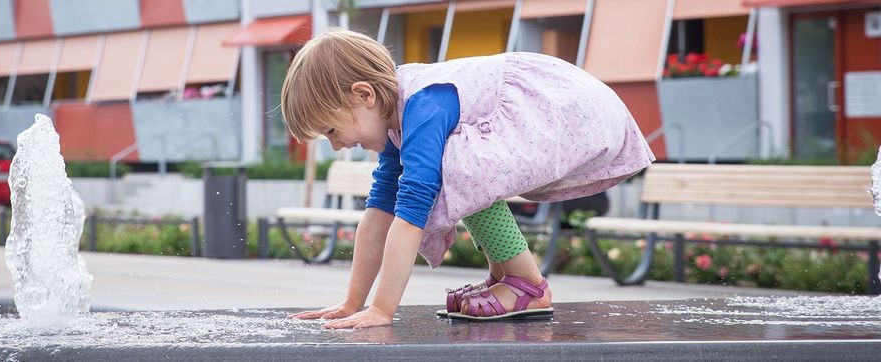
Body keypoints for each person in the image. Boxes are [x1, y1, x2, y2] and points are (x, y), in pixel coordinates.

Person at [280, 29, 654, 329]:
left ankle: (529, 285)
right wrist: (352, 303)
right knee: (456, 169)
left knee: (456, 169)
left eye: (332, 130)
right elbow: (379, 212)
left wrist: (381, 309)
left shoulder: (423, 108)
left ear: (364, 95)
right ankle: (506, 276)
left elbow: (409, 218)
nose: (337, 146)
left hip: (571, 110)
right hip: (566, 110)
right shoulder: (397, 117)